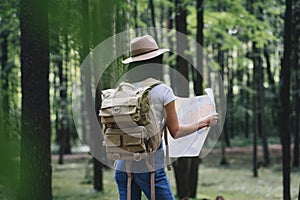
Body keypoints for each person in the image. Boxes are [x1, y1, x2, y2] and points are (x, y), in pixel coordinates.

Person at [114, 35, 218, 200]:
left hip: (122, 164)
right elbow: (175, 131)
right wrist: (203, 123)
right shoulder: (162, 90)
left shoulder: (122, 89)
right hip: (149, 166)